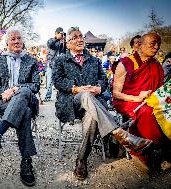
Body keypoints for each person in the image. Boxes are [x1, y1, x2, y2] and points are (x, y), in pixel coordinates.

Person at [52, 26, 153, 180]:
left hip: (93, 105)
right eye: (75, 37)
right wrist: (76, 89)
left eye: (81, 36)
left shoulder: (94, 60)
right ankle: (117, 132)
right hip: (71, 103)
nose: (79, 39)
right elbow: (57, 81)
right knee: (85, 94)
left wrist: (98, 88)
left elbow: (103, 79)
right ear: (67, 43)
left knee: (92, 118)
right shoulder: (60, 59)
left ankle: (81, 160)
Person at [0, 28, 40, 186]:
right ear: (7, 42)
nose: (16, 42)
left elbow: (35, 86)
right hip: (3, 103)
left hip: (26, 99)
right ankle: (26, 162)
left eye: (19, 39)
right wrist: (6, 92)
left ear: (23, 41)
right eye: (13, 39)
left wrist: (15, 89)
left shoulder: (31, 61)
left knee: (23, 95)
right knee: (25, 112)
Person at [113, 33, 171, 167]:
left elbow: (159, 89)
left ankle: (163, 146)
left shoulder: (156, 65)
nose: (156, 47)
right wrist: (137, 97)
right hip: (128, 101)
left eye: (158, 44)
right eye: (153, 44)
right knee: (147, 111)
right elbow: (116, 94)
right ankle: (146, 151)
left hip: (148, 100)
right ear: (141, 44)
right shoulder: (125, 63)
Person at [44, 27, 66, 101]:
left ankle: (61, 98)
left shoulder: (62, 42)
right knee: (50, 81)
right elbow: (50, 44)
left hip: (60, 65)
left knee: (61, 81)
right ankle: (47, 97)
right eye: (60, 34)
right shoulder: (51, 40)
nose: (62, 35)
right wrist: (57, 38)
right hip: (51, 64)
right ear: (56, 33)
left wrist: (65, 41)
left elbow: (65, 51)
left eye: (62, 34)